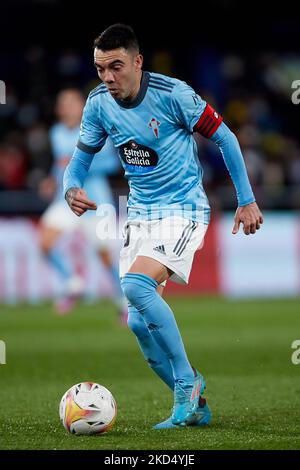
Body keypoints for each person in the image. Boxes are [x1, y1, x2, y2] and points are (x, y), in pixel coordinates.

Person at [63, 24, 263, 429]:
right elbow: (80, 159)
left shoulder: (175, 95)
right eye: (101, 68)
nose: (108, 77)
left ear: (137, 61)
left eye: (116, 67)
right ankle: (197, 405)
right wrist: (71, 187)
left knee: (135, 287)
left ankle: (187, 382)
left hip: (184, 209)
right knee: (138, 321)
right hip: (140, 213)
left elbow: (225, 138)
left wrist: (246, 199)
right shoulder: (99, 103)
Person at [40, 88, 127, 321]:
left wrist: (81, 163)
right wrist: (51, 179)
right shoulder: (56, 132)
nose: (67, 107)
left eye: (71, 102)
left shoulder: (96, 129)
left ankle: (123, 303)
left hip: (94, 201)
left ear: (81, 107)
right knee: (45, 242)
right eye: (63, 103)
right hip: (66, 198)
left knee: (104, 255)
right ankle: (73, 283)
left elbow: (111, 163)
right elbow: (60, 165)